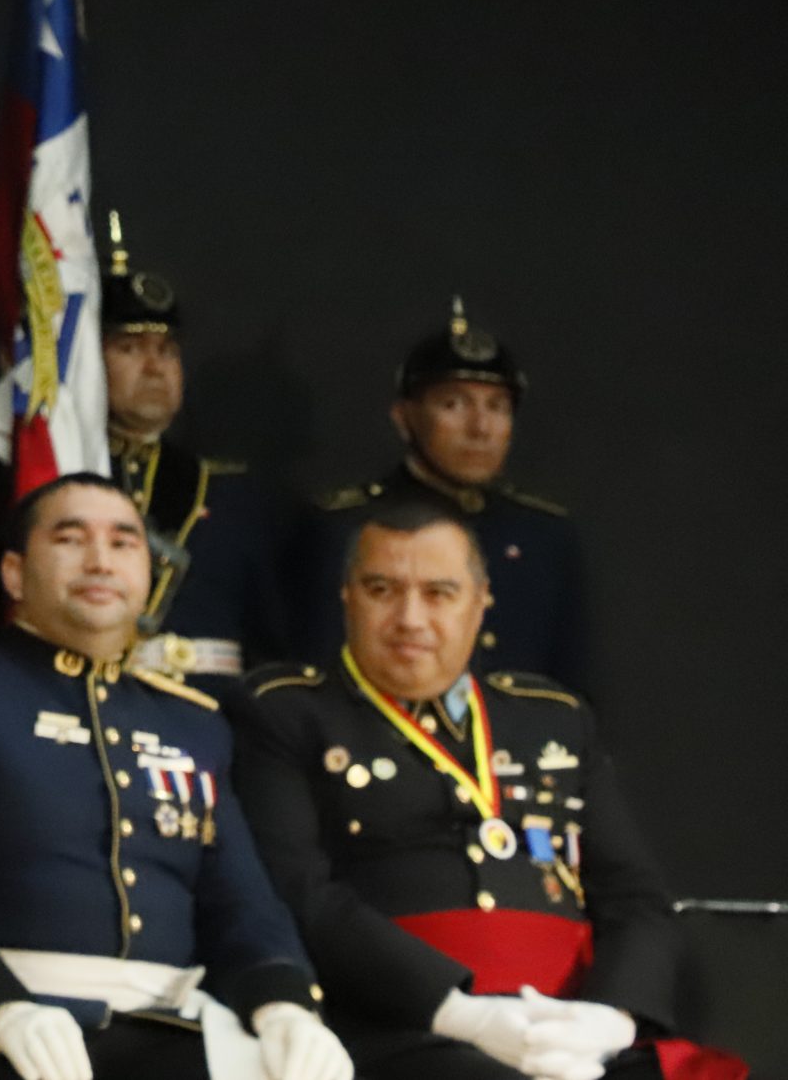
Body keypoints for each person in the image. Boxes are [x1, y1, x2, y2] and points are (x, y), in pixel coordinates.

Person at [0, 473, 352, 1080]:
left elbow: (241, 904)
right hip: (5, 1028)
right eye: (70, 539)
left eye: (123, 543)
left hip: (173, 1030)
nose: (100, 561)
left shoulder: (193, 722)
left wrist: (285, 1007)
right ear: (14, 573)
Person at [232, 501, 738, 1079]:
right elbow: (301, 893)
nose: (410, 619)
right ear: (346, 597)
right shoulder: (288, 713)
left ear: (481, 602)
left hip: (573, 1025)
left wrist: (610, 1019)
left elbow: (635, 898)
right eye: (382, 590)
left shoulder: (551, 717)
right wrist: (461, 1013)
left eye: (439, 593)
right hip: (407, 1025)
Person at [300, 301, 586, 689]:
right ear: (404, 418)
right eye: (454, 404)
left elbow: (572, 691)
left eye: (497, 407)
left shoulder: (543, 535)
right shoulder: (344, 527)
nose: (480, 427)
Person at [94, 213, 293, 693]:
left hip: (207, 711)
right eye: (129, 348)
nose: (154, 367)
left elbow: (269, 646)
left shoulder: (234, 498)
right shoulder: (54, 475)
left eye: (166, 350)